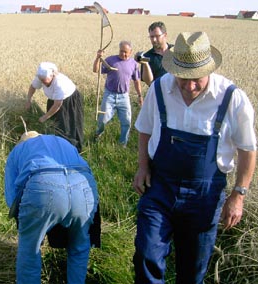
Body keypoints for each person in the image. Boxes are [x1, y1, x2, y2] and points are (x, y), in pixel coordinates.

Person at [133, 31, 256, 283]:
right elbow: (145, 129)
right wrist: (142, 167)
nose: (189, 86)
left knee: (192, 270)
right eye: (183, 78)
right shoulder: (159, 88)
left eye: (196, 79)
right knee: (147, 254)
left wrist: (238, 195)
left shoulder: (232, 98)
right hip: (160, 187)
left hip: (205, 195)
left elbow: (247, 149)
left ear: (209, 69)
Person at [4, 131, 99, 284]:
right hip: (84, 186)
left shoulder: (17, 151)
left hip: (43, 185)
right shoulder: (63, 142)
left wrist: (30, 225)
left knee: (30, 250)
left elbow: (12, 198)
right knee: (79, 247)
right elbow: (86, 169)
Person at [93, 40, 142, 147]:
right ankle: (98, 134)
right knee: (102, 120)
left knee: (127, 122)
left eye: (125, 52)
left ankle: (122, 144)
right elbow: (96, 70)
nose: (123, 54)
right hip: (109, 95)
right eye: (121, 51)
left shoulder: (134, 64)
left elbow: (137, 81)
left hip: (124, 97)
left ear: (130, 52)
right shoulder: (110, 60)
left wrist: (140, 96)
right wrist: (98, 57)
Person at [25, 62, 84, 152]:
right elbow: (33, 87)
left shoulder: (59, 83)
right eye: (42, 80)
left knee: (67, 125)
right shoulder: (41, 77)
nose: (43, 83)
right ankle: (57, 147)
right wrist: (28, 100)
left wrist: (45, 117)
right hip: (53, 99)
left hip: (69, 101)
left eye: (46, 81)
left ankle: (73, 149)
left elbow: (58, 104)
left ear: (52, 76)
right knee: (54, 124)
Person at [136, 21, 173, 86]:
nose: (154, 40)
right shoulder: (147, 56)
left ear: (165, 35)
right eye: (152, 37)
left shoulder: (176, 51)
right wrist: (145, 64)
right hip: (160, 93)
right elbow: (149, 83)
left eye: (157, 36)